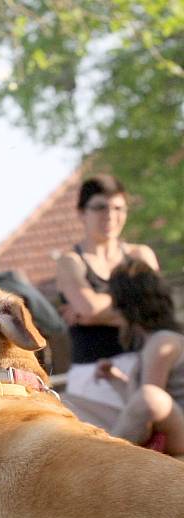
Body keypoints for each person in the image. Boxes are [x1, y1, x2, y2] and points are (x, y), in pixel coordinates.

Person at [56, 174, 159, 417]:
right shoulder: (70, 262)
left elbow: (156, 311)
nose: (110, 215)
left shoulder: (140, 255)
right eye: (100, 207)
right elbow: (88, 308)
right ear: (82, 212)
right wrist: (133, 305)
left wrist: (94, 311)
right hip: (92, 376)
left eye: (118, 207)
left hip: (145, 367)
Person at [94, 261, 184, 454]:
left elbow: (147, 404)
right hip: (173, 424)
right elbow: (136, 406)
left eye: (115, 304)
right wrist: (115, 378)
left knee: (149, 397)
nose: (113, 311)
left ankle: (106, 456)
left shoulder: (162, 342)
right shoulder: (152, 343)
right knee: (70, 401)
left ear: (127, 305)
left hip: (179, 430)